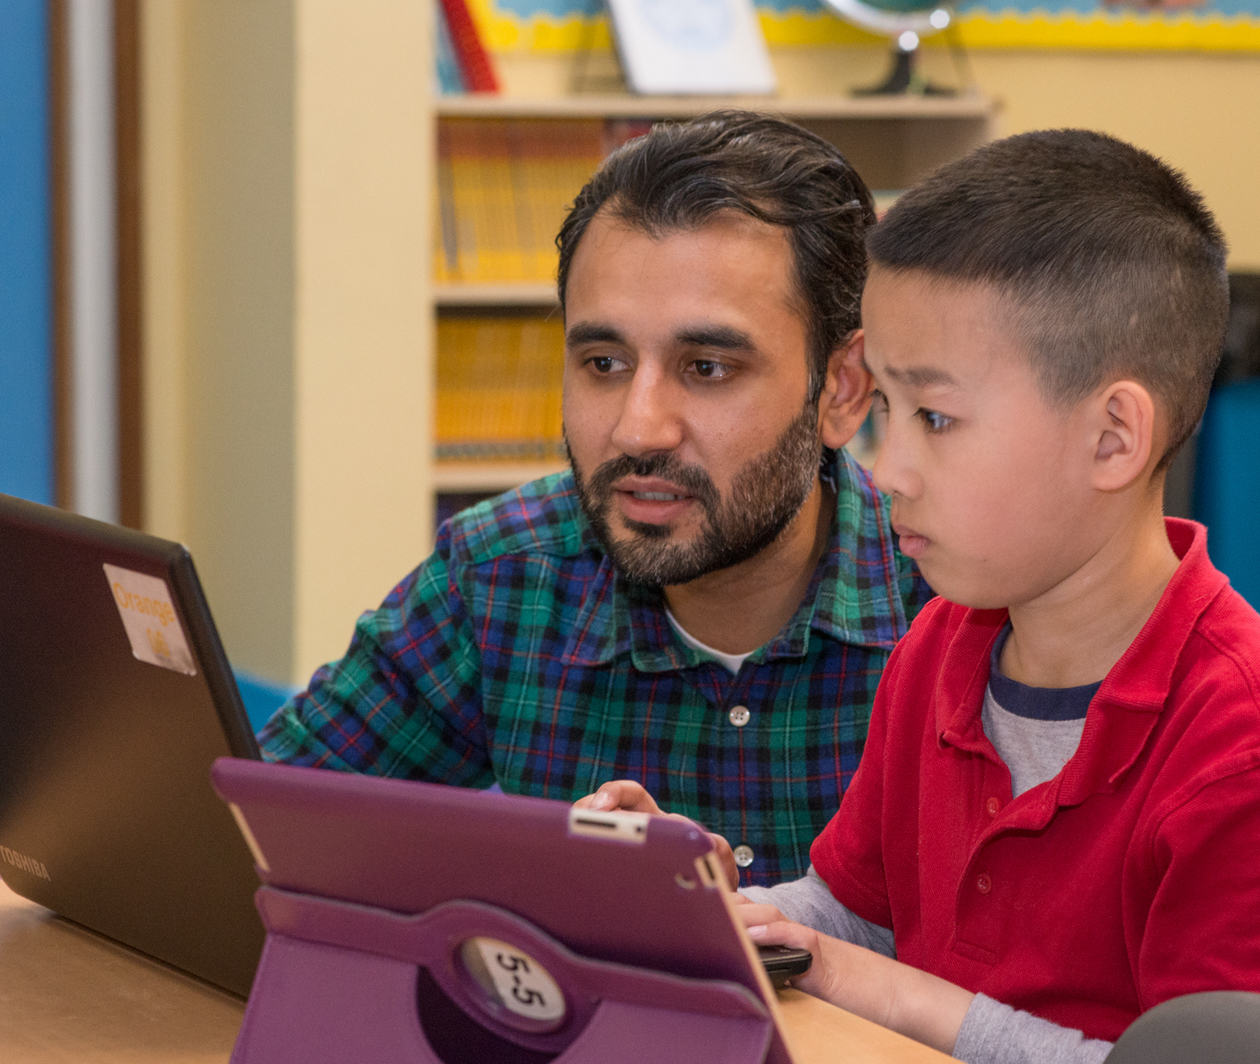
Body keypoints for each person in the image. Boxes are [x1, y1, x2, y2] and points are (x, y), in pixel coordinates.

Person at [583, 128, 1260, 1062]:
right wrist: (690, 902)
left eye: (936, 417)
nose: (887, 468)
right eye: (887, 412)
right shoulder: (940, 647)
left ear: (1114, 438)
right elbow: (849, 915)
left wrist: (899, 996)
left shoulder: (1237, 745)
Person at [257, 110, 930, 885]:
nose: (638, 429)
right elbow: (261, 840)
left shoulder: (959, 610)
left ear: (842, 391)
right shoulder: (502, 576)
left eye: (707, 367)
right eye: (604, 363)